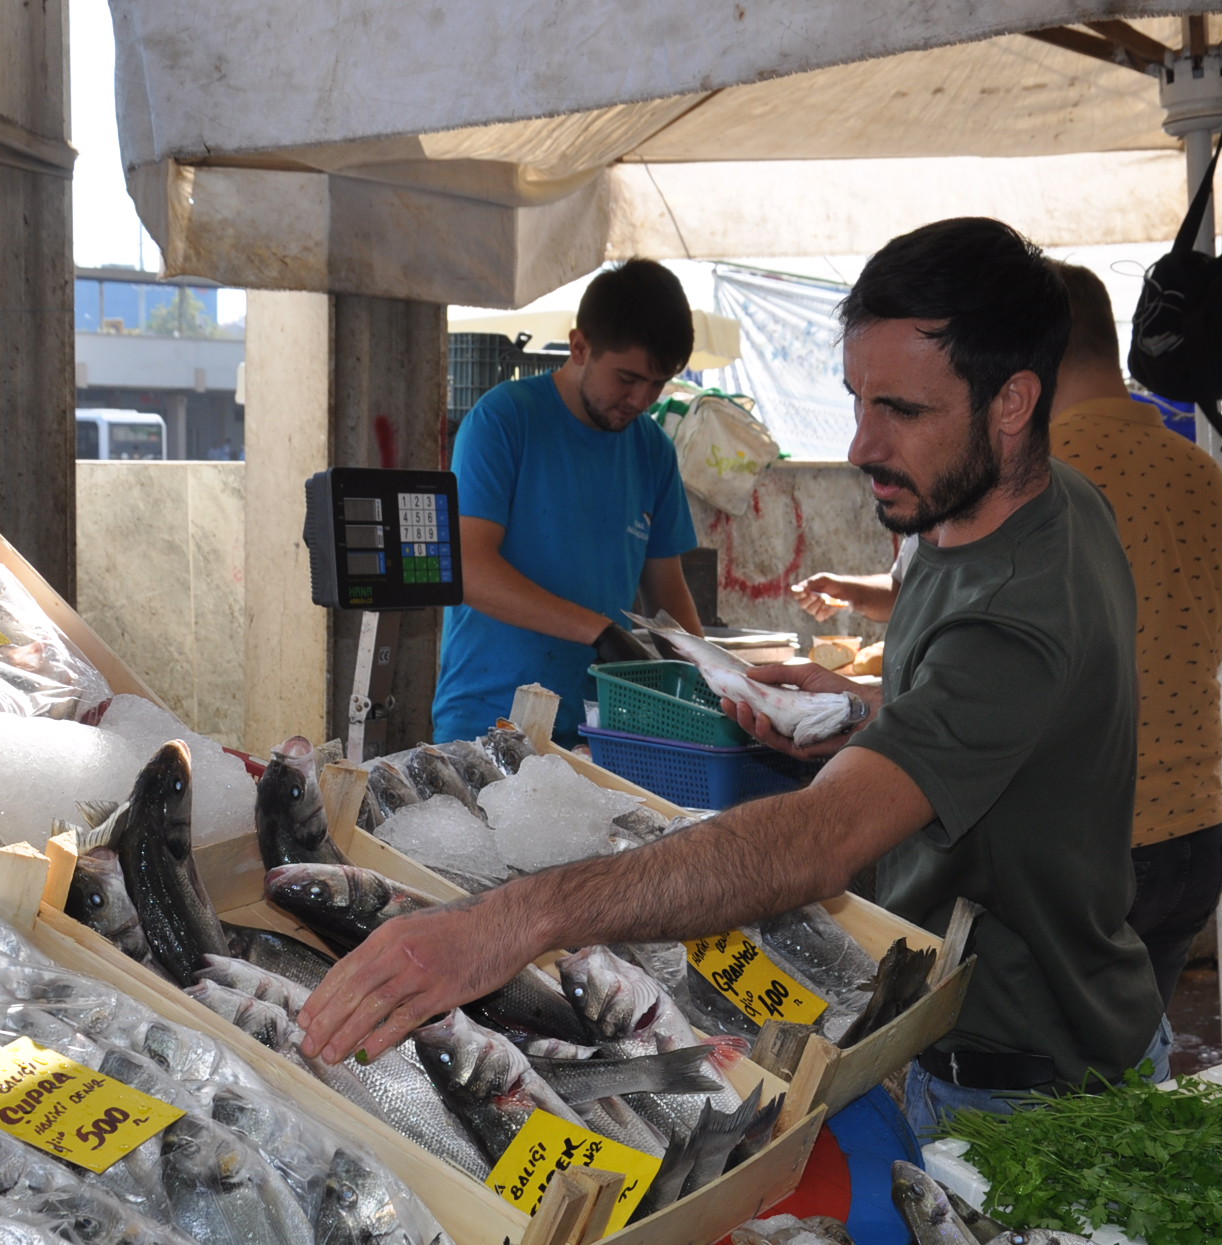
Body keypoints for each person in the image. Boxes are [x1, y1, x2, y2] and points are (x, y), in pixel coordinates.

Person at [300, 218, 1161, 1137]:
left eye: (902, 412)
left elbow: (822, 840)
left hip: (1023, 1080)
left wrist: (509, 922)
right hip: (969, 1020)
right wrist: (864, 712)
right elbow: (1000, 721)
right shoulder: (1029, 505)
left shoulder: (1018, 605)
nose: (863, 444)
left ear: (1013, 403)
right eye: (856, 400)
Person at [1045, 260, 1222, 1023]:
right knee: (1133, 1087)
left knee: (1059, 1107)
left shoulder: (1041, 477)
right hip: (1196, 831)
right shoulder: (1206, 476)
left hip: (1096, 844)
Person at [431, 259, 706, 745]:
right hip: (487, 726)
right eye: (627, 378)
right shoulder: (504, 420)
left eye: (658, 384)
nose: (642, 399)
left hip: (599, 729)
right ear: (580, 346)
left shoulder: (652, 451)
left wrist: (714, 685)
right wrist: (598, 631)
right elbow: (468, 569)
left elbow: (668, 596)